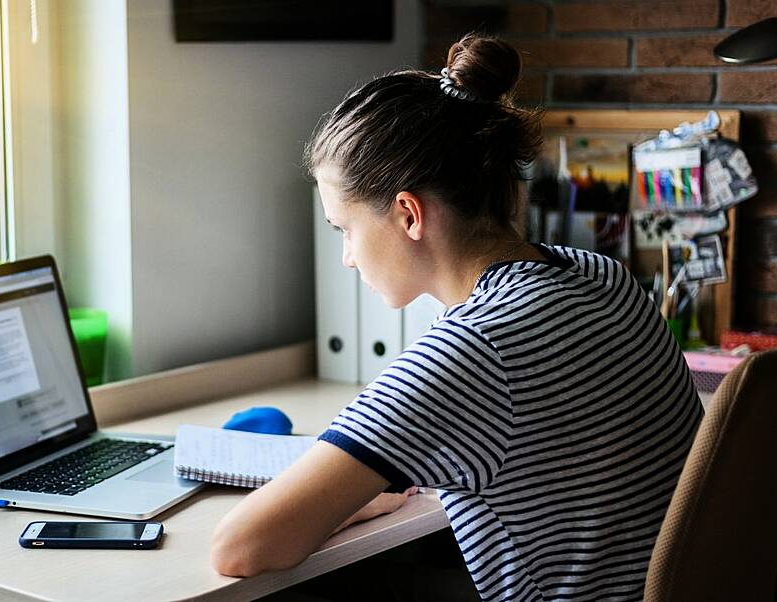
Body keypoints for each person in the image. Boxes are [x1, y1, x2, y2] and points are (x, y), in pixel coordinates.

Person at [210, 33, 703, 601]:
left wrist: (332, 510)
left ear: (408, 213)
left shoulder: (471, 350)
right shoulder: (602, 275)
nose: (346, 256)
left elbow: (240, 547)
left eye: (344, 229)